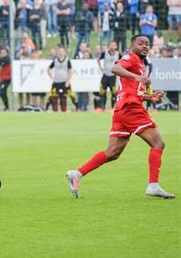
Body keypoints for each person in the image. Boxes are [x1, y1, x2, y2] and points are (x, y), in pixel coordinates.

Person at [67, 35, 175, 199]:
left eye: (147, 44)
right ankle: (153, 185)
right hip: (131, 109)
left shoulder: (140, 64)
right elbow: (115, 68)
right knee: (158, 143)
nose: (144, 46)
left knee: (113, 152)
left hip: (122, 110)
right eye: (140, 43)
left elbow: (130, 90)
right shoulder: (130, 57)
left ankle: (77, 174)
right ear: (132, 46)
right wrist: (136, 77)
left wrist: (149, 97)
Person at [97, 41, 121, 110]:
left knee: (113, 92)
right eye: (111, 45)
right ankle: (102, 108)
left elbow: (123, 62)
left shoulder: (118, 54)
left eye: (114, 45)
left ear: (116, 47)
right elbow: (98, 60)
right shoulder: (105, 53)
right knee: (102, 91)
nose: (112, 46)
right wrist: (101, 69)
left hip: (113, 76)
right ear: (109, 46)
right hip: (105, 75)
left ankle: (112, 107)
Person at [47, 47, 72, 112]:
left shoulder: (67, 60)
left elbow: (70, 71)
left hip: (64, 81)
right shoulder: (55, 60)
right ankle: (55, 111)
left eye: (62, 51)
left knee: (63, 97)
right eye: (59, 51)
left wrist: (68, 81)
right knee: (54, 97)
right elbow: (48, 69)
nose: (61, 53)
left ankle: (64, 111)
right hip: (56, 82)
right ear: (58, 52)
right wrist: (51, 77)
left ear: (64, 52)